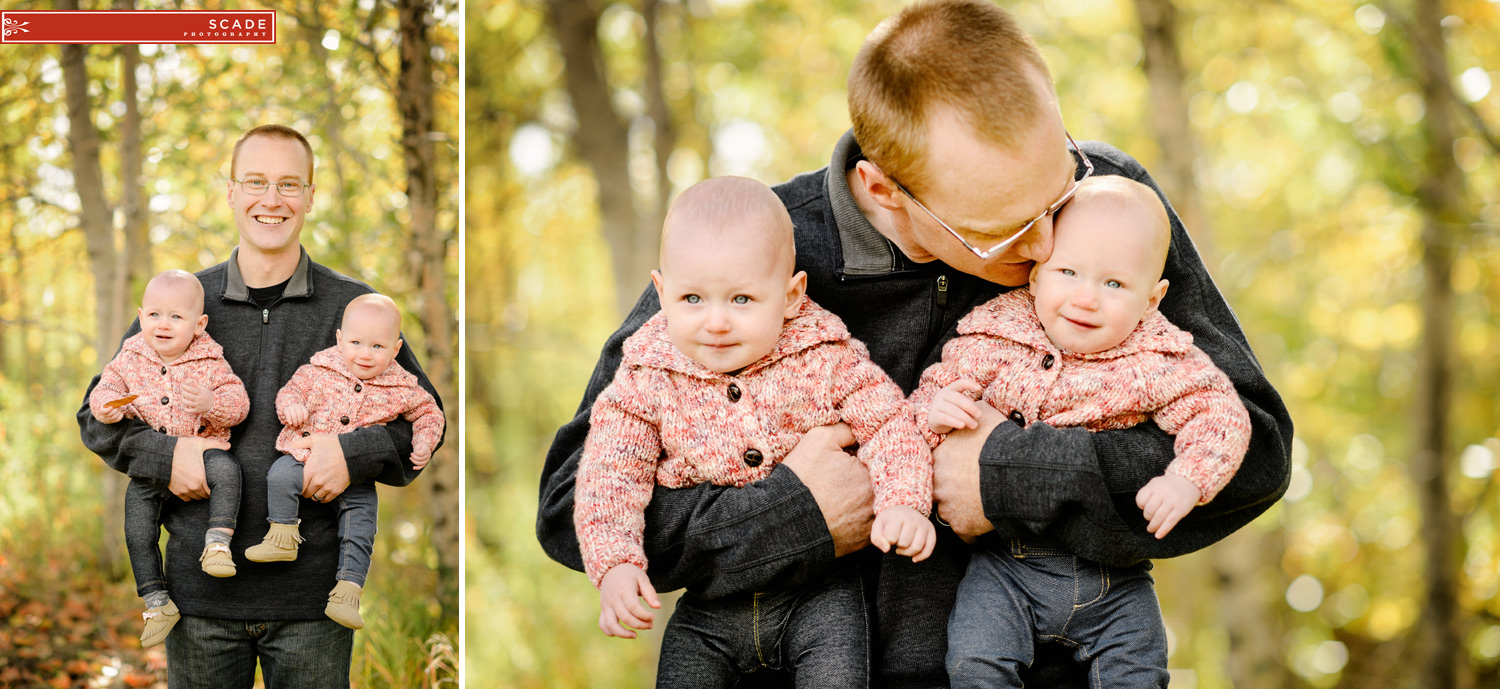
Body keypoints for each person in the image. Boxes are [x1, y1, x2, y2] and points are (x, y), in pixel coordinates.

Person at [537, 1, 1294, 686]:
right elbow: (574, 502)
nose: (1044, 251)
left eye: (1055, 191)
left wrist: (1005, 477)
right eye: (1002, 231)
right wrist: (795, 514)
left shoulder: (1108, 213)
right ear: (883, 190)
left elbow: (1254, 453)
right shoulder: (750, 255)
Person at [79, 124, 442, 688]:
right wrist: (163, 454)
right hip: (198, 601)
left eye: (289, 184)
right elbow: (98, 413)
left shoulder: (354, 309)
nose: (271, 200)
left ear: (310, 197)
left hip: (313, 605)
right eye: (255, 182)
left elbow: (422, 417)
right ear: (230, 192)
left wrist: (353, 453)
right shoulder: (179, 303)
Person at [574, 176, 933, 688]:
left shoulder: (825, 357)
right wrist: (615, 563)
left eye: (742, 299)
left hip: (821, 596)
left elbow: (889, 424)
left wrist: (904, 501)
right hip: (710, 607)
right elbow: (609, 475)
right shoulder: (645, 379)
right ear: (661, 293)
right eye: (692, 298)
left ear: (791, 296)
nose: (715, 321)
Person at [910, 176, 1251, 687]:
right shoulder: (994, 335)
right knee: (974, 662)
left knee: (1138, 672)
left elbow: (1221, 414)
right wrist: (935, 411)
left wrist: (1188, 479)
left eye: (1114, 284)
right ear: (1034, 276)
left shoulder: (1158, 358)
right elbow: (923, 402)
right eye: (1068, 272)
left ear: (1153, 299)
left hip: (1114, 575)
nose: (1086, 298)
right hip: (1005, 568)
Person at [244, 293, 445, 631]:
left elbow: (430, 413)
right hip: (302, 453)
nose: (365, 354)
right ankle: (282, 536)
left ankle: (348, 592)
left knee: (362, 524)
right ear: (340, 339)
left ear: (396, 349)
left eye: (378, 347)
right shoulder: (318, 368)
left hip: (358, 476)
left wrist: (423, 441)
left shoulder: (402, 385)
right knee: (279, 476)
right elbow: (290, 392)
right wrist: (290, 408)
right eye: (355, 343)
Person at [88, 269, 251, 648]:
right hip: (150, 470)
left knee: (228, 472)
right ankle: (157, 602)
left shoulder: (210, 361)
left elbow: (239, 403)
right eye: (156, 315)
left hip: (205, 449)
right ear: (141, 316)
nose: (164, 325)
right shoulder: (131, 356)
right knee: (138, 529)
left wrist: (212, 405)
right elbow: (105, 389)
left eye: (177, 317)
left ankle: (217, 543)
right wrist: (106, 407)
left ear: (199, 324)